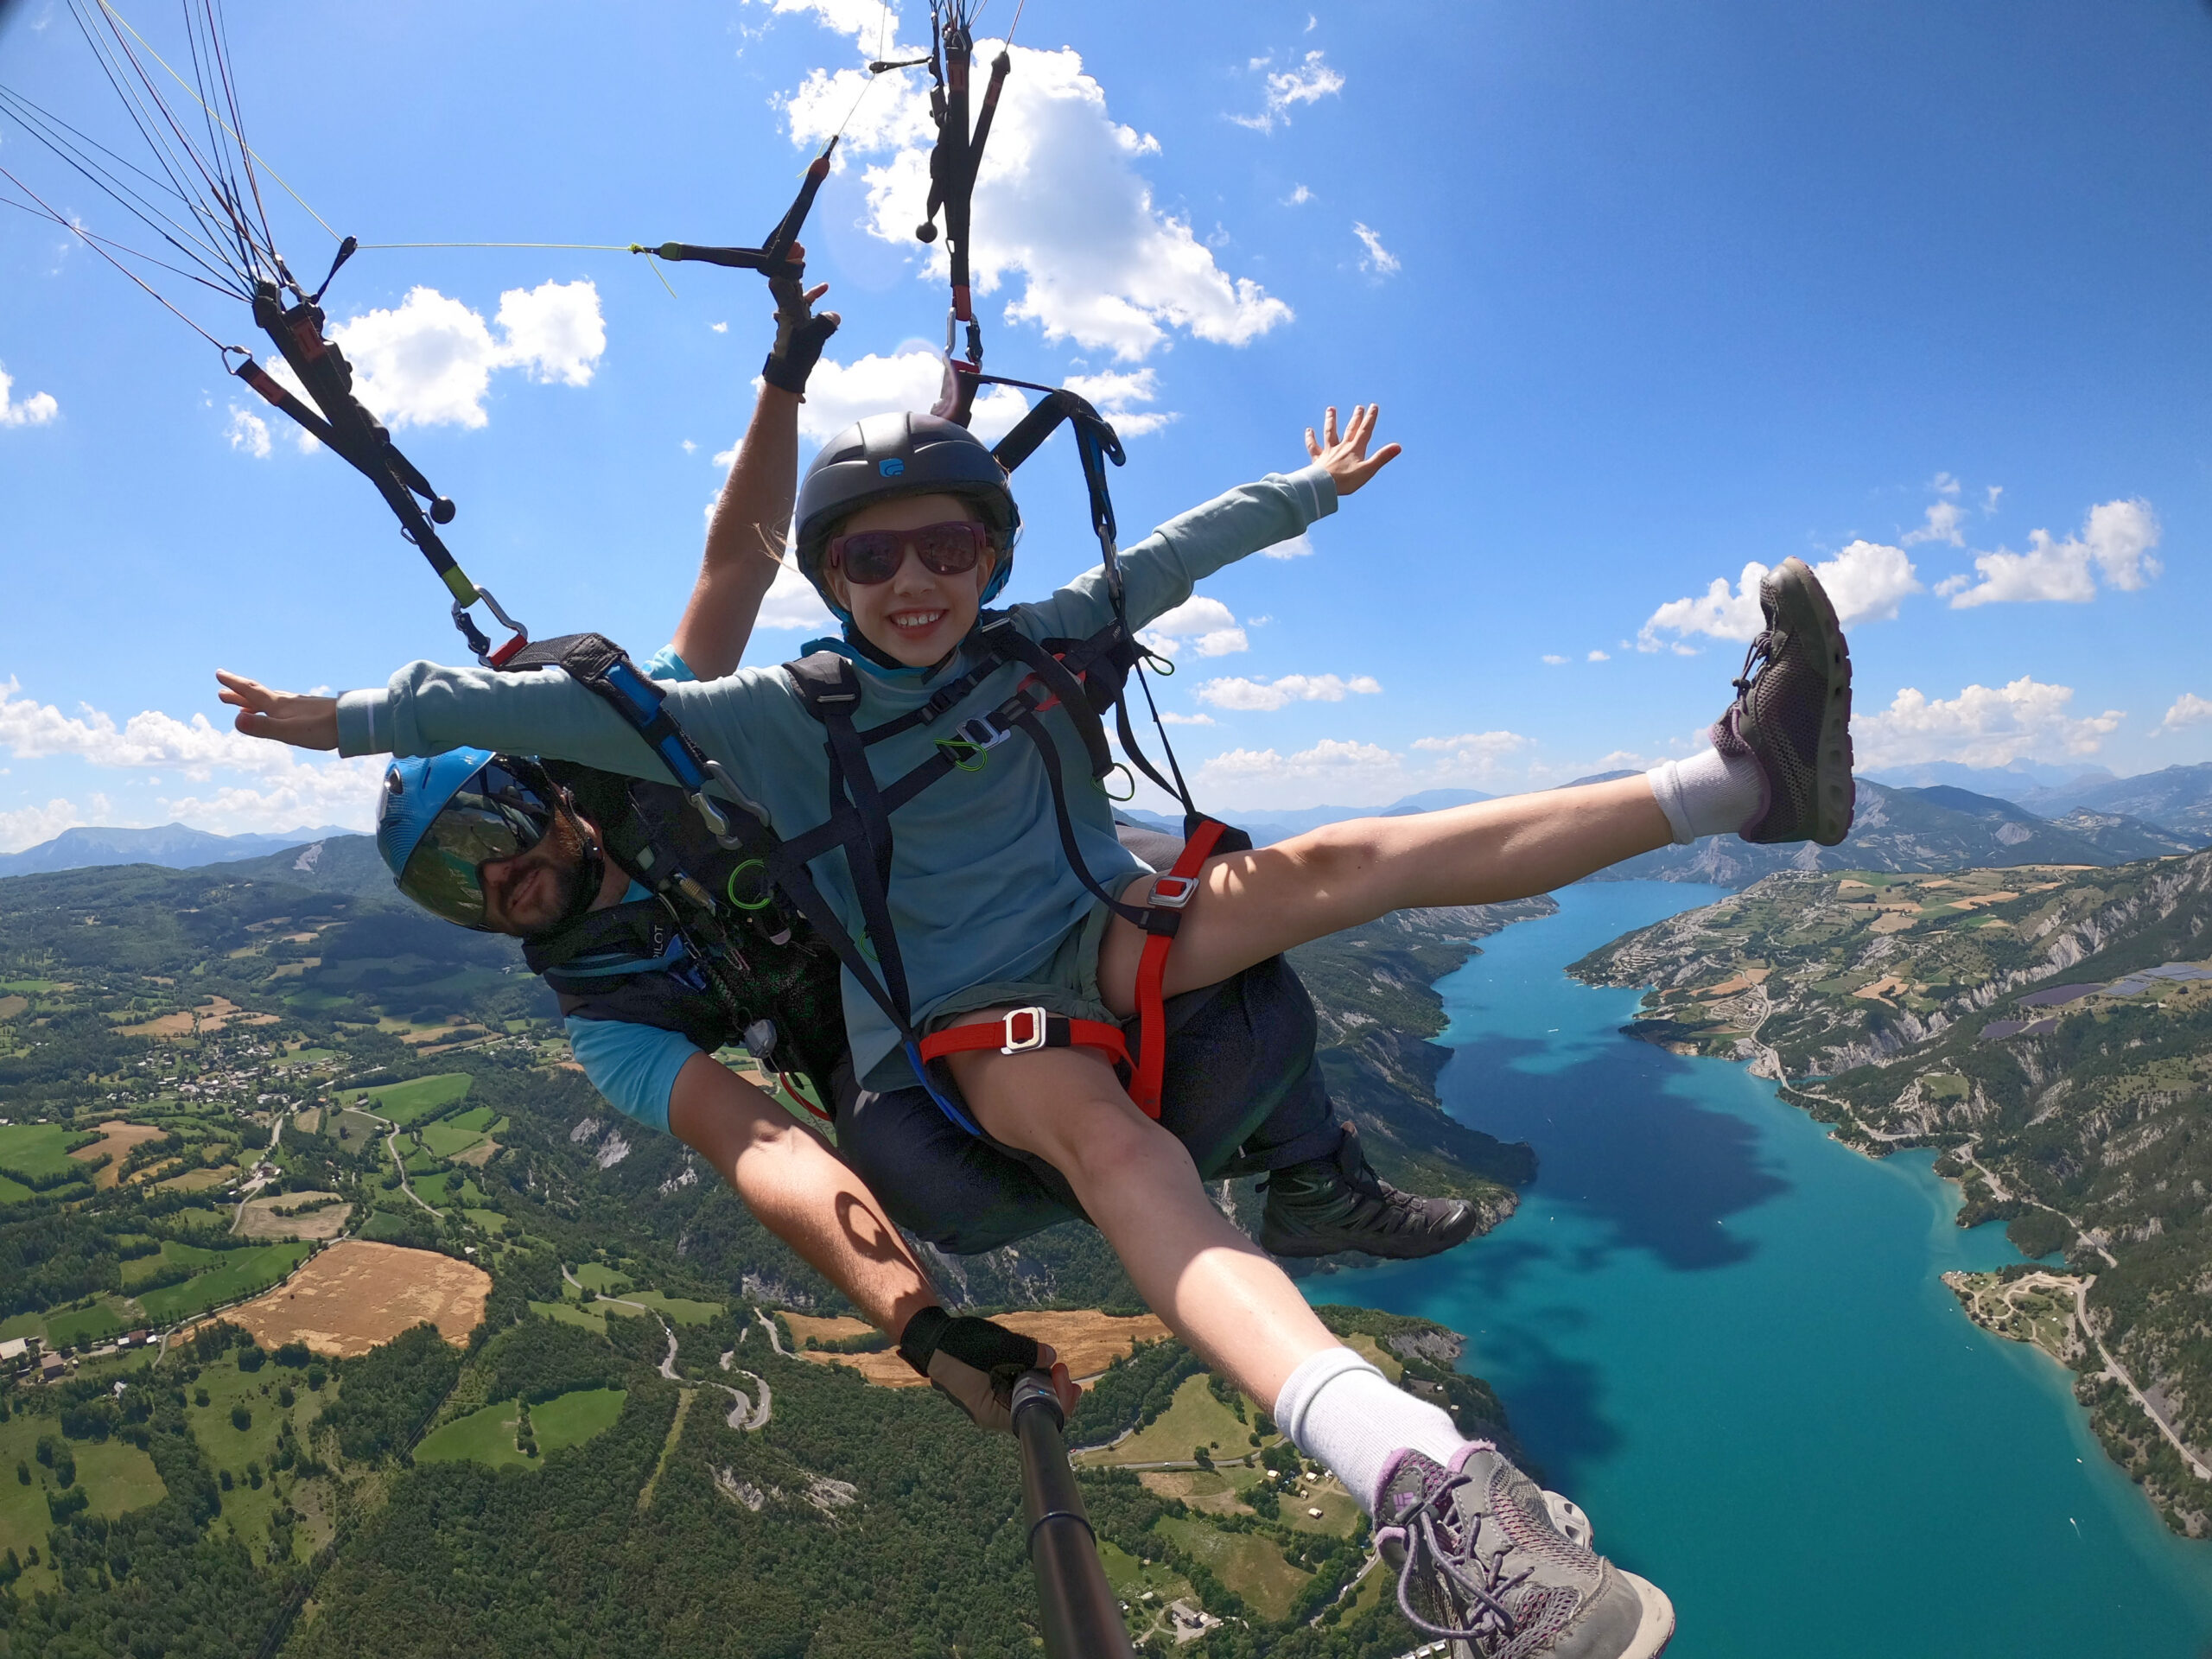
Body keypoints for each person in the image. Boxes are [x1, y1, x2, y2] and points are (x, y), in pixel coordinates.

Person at [221, 397, 1854, 1659]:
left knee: (1341, 868)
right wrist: (353, 720)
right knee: (1122, 1151)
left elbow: (1152, 566)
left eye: (946, 551)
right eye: (873, 560)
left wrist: (1304, 492)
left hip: (1100, 928)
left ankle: (1739, 783)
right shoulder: (756, 760)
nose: (500, 887)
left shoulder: (975, 661)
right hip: (964, 1033)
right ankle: (1425, 1490)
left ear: (988, 559)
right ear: (837, 581)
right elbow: (758, 1133)